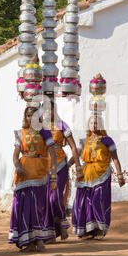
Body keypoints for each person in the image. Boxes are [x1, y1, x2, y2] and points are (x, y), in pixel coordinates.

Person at [8, 106, 58, 252]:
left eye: (34, 116)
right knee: (23, 208)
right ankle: (29, 241)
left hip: (39, 173)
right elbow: (15, 155)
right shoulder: (20, 133)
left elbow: (53, 155)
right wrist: (17, 166)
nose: (31, 118)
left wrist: (54, 177)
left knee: (37, 207)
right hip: (23, 175)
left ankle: (39, 239)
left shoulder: (45, 132)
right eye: (28, 116)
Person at [70, 115, 125, 240]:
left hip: (102, 174)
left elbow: (115, 158)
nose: (94, 125)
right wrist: (67, 165)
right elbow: (76, 155)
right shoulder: (83, 141)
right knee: (83, 202)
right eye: (92, 123)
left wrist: (120, 174)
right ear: (88, 125)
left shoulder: (107, 140)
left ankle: (100, 229)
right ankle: (88, 230)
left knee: (96, 200)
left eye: (96, 123)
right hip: (85, 175)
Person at [42, 101, 83, 243]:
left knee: (55, 197)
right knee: (45, 200)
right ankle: (50, 233)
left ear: (55, 110)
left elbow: (73, 147)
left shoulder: (62, 125)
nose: (47, 112)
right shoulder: (39, 126)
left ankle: (61, 222)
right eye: (45, 109)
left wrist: (78, 167)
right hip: (43, 166)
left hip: (59, 164)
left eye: (50, 109)